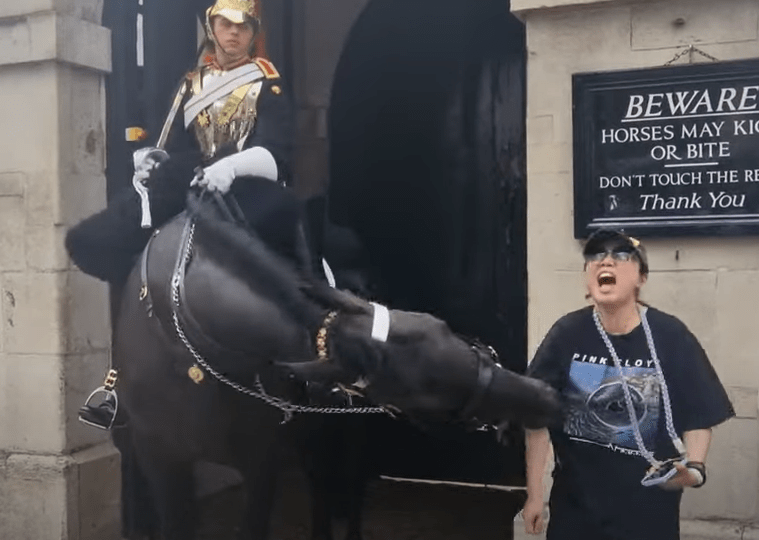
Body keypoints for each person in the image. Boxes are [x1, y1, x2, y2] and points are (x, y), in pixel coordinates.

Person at [69, 0, 295, 429]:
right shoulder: (191, 85)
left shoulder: (267, 83)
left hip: (245, 184)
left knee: (290, 257)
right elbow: (166, 141)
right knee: (104, 241)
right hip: (189, 184)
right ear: (212, 27)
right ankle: (118, 381)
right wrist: (149, 161)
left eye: (242, 27)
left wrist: (230, 167)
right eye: (225, 24)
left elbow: (279, 154)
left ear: (253, 31)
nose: (233, 34)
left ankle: (294, 371)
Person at [522, 229, 734, 540]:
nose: (605, 260)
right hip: (576, 510)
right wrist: (534, 494)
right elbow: (536, 416)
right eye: (595, 256)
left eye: (621, 255)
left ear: (641, 278)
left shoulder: (671, 336)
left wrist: (694, 469)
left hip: (647, 514)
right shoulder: (567, 334)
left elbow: (700, 414)